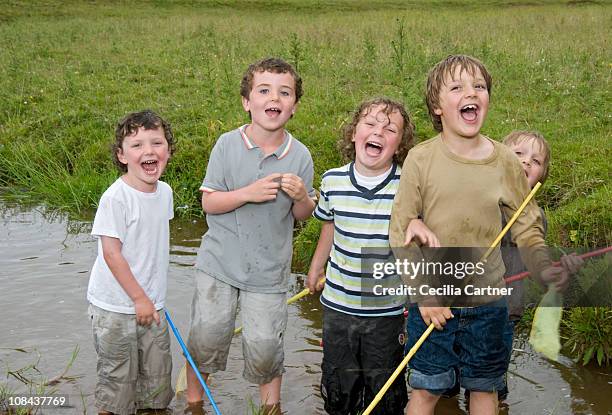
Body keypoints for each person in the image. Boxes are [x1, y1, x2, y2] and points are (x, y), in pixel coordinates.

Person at [389, 55, 569, 415]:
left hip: (489, 303)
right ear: (438, 107)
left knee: (484, 390)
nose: (471, 93)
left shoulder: (504, 161)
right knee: (426, 390)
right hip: (433, 303)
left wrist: (542, 265)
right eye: (457, 87)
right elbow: (400, 231)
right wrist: (425, 295)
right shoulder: (420, 160)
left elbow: (526, 225)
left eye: (479, 87)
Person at [185, 57, 316, 415]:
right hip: (219, 265)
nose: (274, 98)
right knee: (207, 336)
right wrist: (248, 192)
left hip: (269, 271)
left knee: (265, 346)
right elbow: (209, 203)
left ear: (294, 106)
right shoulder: (227, 145)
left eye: (284, 92)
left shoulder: (300, 155)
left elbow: (301, 216)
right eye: (263, 90)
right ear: (247, 101)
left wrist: (304, 197)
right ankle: (193, 404)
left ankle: (269, 409)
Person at [307, 97, 414, 415]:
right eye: (370, 124)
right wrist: (316, 267)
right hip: (338, 306)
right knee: (340, 387)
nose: (378, 132)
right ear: (354, 133)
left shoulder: (407, 186)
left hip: (386, 311)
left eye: (390, 128)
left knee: (384, 391)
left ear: (399, 145)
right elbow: (329, 228)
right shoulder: (332, 181)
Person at [87, 110, 175, 415]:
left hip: (153, 305)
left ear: (168, 151)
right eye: (137, 145)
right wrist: (139, 298)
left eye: (156, 143)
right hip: (116, 308)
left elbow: (151, 246)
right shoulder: (116, 198)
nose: (148, 151)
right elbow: (112, 254)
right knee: (117, 386)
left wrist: (151, 299)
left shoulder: (165, 192)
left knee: (157, 382)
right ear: (122, 155)